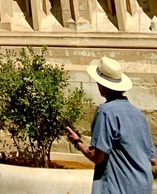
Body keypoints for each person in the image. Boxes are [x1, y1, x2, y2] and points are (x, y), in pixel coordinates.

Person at [67, 56, 156, 194]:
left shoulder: (106, 112)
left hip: (118, 188)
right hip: (143, 186)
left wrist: (77, 142)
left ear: (102, 86)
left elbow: (97, 156)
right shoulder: (138, 114)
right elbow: (152, 160)